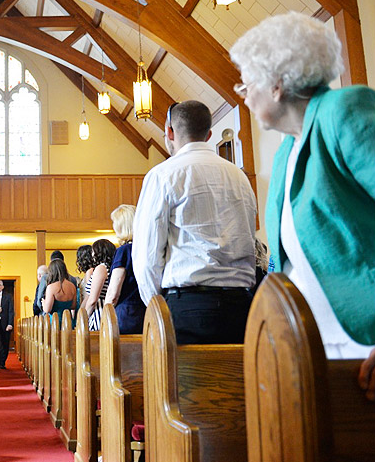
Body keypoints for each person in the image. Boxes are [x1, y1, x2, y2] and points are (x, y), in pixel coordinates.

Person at [230, 11, 375, 396]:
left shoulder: (343, 111)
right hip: (309, 346)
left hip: (366, 339)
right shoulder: (284, 154)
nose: (244, 98)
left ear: (277, 85)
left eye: (246, 87)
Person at [132, 100, 256, 345]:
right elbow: (249, 236)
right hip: (241, 305)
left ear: (170, 131)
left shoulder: (163, 174)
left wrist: (157, 307)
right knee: (236, 381)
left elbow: (147, 254)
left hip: (188, 306)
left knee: (185, 383)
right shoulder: (239, 177)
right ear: (209, 134)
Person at [103, 205, 146, 335]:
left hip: (126, 314)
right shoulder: (146, 250)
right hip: (145, 310)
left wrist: (105, 315)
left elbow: (113, 292)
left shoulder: (124, 251)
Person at [81, 238, 115, 331]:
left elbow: (93, 299)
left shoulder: (101, 268)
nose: (92, 255)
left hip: (98, 313)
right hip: (107, 311)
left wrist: (83, 318)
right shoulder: (111, 267)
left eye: (93, 251)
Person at [42, 258, 78, 328]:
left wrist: (43, 303)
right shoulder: (72, 286)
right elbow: (73, 306)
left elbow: (47, 309)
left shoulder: (51, 287)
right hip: (68, 321)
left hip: (55, 322)